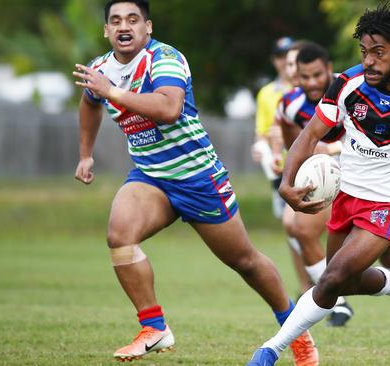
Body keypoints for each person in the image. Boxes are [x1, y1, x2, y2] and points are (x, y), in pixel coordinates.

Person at [72, 1, 318, 364]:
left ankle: (296, 331)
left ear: (148, 27)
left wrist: (112, 92)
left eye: (133, 19)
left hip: (198, 177)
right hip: (151, 176)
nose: (124, 26)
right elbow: (89, 102)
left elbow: (169, 108)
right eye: (115, 21)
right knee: (119, 235)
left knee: (245, 261)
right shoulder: (100, 69)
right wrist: (85, 153)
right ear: (106, 31)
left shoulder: (166, 59)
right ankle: (154, 327)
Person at [247, 3, 390, 365]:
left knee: (331, 278)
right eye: (364, 52)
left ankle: (270, 350)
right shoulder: (347, 85)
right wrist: (286, 182)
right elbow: (309, 134)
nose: (369, 61)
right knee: (340, 281)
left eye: (379, 52)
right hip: (347, 196)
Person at [275, 42, 390, 327]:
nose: (312, 83)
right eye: (305, 77)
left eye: (317, 75)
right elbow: (293, 135)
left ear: (328, 69)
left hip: (363, 174)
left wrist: (333, 151)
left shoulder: (351, 88)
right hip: (328, 178)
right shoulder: (289, 104)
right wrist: (297, 163)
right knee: (297, 226)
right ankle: (337, 301)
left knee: (385, 247)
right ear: (295, 77)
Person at [252, 37, 314, 295]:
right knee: (293, 231)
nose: (284, 63)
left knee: (306, 228)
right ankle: (305, 287)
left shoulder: (314, 87)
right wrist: (263, 149)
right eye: (280, 57)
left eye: (289, 56)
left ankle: (327, 283)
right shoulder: (267, 93)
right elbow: (262, 134)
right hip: (282, 170)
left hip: (314, 166)